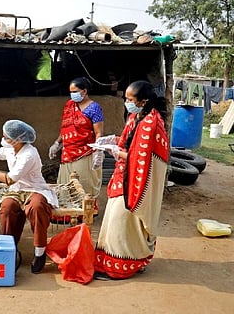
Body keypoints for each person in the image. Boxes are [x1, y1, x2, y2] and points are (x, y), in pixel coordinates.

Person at [93, 80, 169, 280]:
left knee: (122, 222)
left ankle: (122, 265)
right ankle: (130, 259)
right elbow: (131, 143)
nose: (127, 102)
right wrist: (112, 140)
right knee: (116, 220)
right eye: (125, 99)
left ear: (143, 101)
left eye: (130, 99)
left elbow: (140, 158)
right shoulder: (136, 117)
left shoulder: (151, 123)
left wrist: (117, 152)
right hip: (124, 176)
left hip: (136, 181)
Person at [0, 120, 58, 274]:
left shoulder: (29, 154)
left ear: (19, 139)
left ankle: (40, 252)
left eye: (7, 138)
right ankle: (10, 247)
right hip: (17, 190)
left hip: (35, 189)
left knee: (37, 208)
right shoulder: (11, 149)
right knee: (7, 208)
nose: (4, 140)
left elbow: (10, 179)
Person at [48, 77, 104, 219]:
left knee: (84, 183)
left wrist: (98, 150)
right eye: (71, 92)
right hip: (67, 151)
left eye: (75, 91)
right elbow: (65, 128)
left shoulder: (94, 108)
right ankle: (66, 213)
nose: (72, 94)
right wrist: (57, 143)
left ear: (84, 91)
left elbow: (98, 132)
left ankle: (84, 211)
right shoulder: (69, 105)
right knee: (66, 184)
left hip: (85, 152)